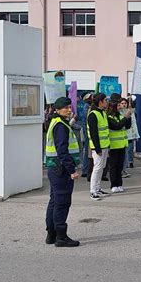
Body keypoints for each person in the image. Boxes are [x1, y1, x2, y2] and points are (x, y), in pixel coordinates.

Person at [44, 97, 80, 247]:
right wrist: (71, 170)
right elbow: (62, 150)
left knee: (54, 201)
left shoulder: (56, 122)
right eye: (65, 108)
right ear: (57, 110)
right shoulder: (60, 126)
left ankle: (51, 234)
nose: (69, 109)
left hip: (54, 168)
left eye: (69, 107)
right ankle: (61, 237)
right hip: (61, 169)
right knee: (62, 203)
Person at [87, 93, 110, 201]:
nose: (106, 102)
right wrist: (97, 148)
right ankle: (93, 191)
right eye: (105, 100)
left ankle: (98, 188)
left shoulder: (103, 113)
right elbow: (93, 133)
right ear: (100, 101)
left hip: (104, 145)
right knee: (97, 168)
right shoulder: (93, 114)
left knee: (101, 167)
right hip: (98, 147)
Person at [107, 95, 132, 193]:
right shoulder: (109, 117)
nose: (120, 107)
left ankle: (119, 183)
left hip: (122, 144)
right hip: (113, 145)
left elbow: (127, 126)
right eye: (118, 106)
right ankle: (113, 184)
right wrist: (125, 118)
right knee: (113, 166)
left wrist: (128, 117)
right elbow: (117, 126)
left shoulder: (121, 115)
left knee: (120, 166)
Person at [77, 92, 93, 177]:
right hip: (88, 133)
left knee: (87, 151)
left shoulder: (87, 107)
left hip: (87, 133)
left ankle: (86, 169)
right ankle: (86, 170)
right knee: (87, 151)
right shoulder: (87, 107)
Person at [119, 98, 132, 179]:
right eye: (122, 103)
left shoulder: (129, 112)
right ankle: (121, 170)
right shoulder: (119, 113)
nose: (124, 104)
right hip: (119, 139)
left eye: (125, 103)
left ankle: (124, 169)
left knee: (126, 154)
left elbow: (131, 125)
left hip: (127, 137)